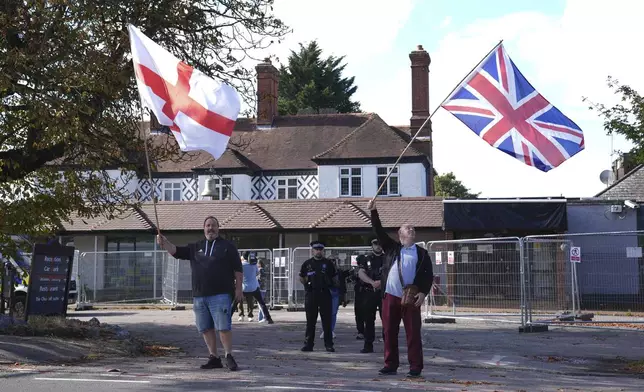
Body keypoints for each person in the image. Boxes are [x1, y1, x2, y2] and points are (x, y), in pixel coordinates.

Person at [157, 216, 243, 372]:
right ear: (204, 228)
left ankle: (229, 355)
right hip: (200, 296)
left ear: (218, 228)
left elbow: (238, 269)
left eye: (214, 226)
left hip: (221, 294)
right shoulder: (195, 247)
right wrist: (164, 242)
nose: (211, 228)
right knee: (205, 328)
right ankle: (214, 357)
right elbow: (175, 251)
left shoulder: (228, 246)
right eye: (208, 225)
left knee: (223, 327)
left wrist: (238, 289)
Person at [367, 199, 433, 378]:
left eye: (413, 228)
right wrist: (373, 212)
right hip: (390, 296)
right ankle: (390, 365)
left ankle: (415, 367)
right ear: (400, 234)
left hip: (410, 297)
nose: (411, 229)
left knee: (413, 333)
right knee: (389, 332)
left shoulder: (422, 253)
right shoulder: (391, 248)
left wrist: (423, 292)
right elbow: (378, 232)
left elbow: (428, 276)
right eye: (408, 228)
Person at [299, 240, 337, 352]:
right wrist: (306, 279)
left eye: (320, 249)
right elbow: (302, 277)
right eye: (316, 249)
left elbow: (335, 278)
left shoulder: (329, 263)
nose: (318, 251)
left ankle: (329, 344)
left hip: (325, 293)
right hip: (311, 293)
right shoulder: (307, 264)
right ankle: (308, 344)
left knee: (327, 321)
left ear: (323, 250)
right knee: (310, 321)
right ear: (312, 251)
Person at [357, 239, 385, 353]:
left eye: (379, 244)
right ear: (372, 245)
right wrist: (372, 282)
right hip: (369, 291)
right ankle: (368, 345)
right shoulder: (366, 258)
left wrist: (381, 282)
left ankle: (388, 345)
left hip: (384, 291)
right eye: (375, 244)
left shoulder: (387, 258)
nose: (378, 246)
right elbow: (360, 273)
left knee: (387, 319)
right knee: (368, 320)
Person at [235, 251, 274, 324]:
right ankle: (269, 318)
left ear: (243, 257)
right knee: (261, 303)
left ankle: (228, 318)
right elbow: (257, 273)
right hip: (254, 287)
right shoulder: (254, 264)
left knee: (235, 302)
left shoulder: (241, 265)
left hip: (244, 287)